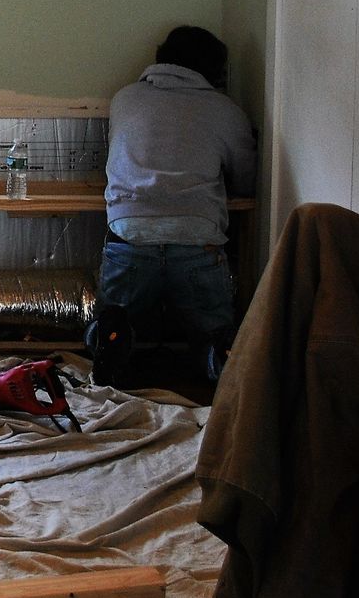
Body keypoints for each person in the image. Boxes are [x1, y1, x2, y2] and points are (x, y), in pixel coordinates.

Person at [90, 26, 256, 387]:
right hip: (198, 235)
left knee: (113, 319)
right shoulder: (226, 111)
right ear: (214, 69)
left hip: (130, 231)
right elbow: (246, 178)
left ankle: (112, 336)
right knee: (212, 330)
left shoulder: (125, 99)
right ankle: (220, 358)